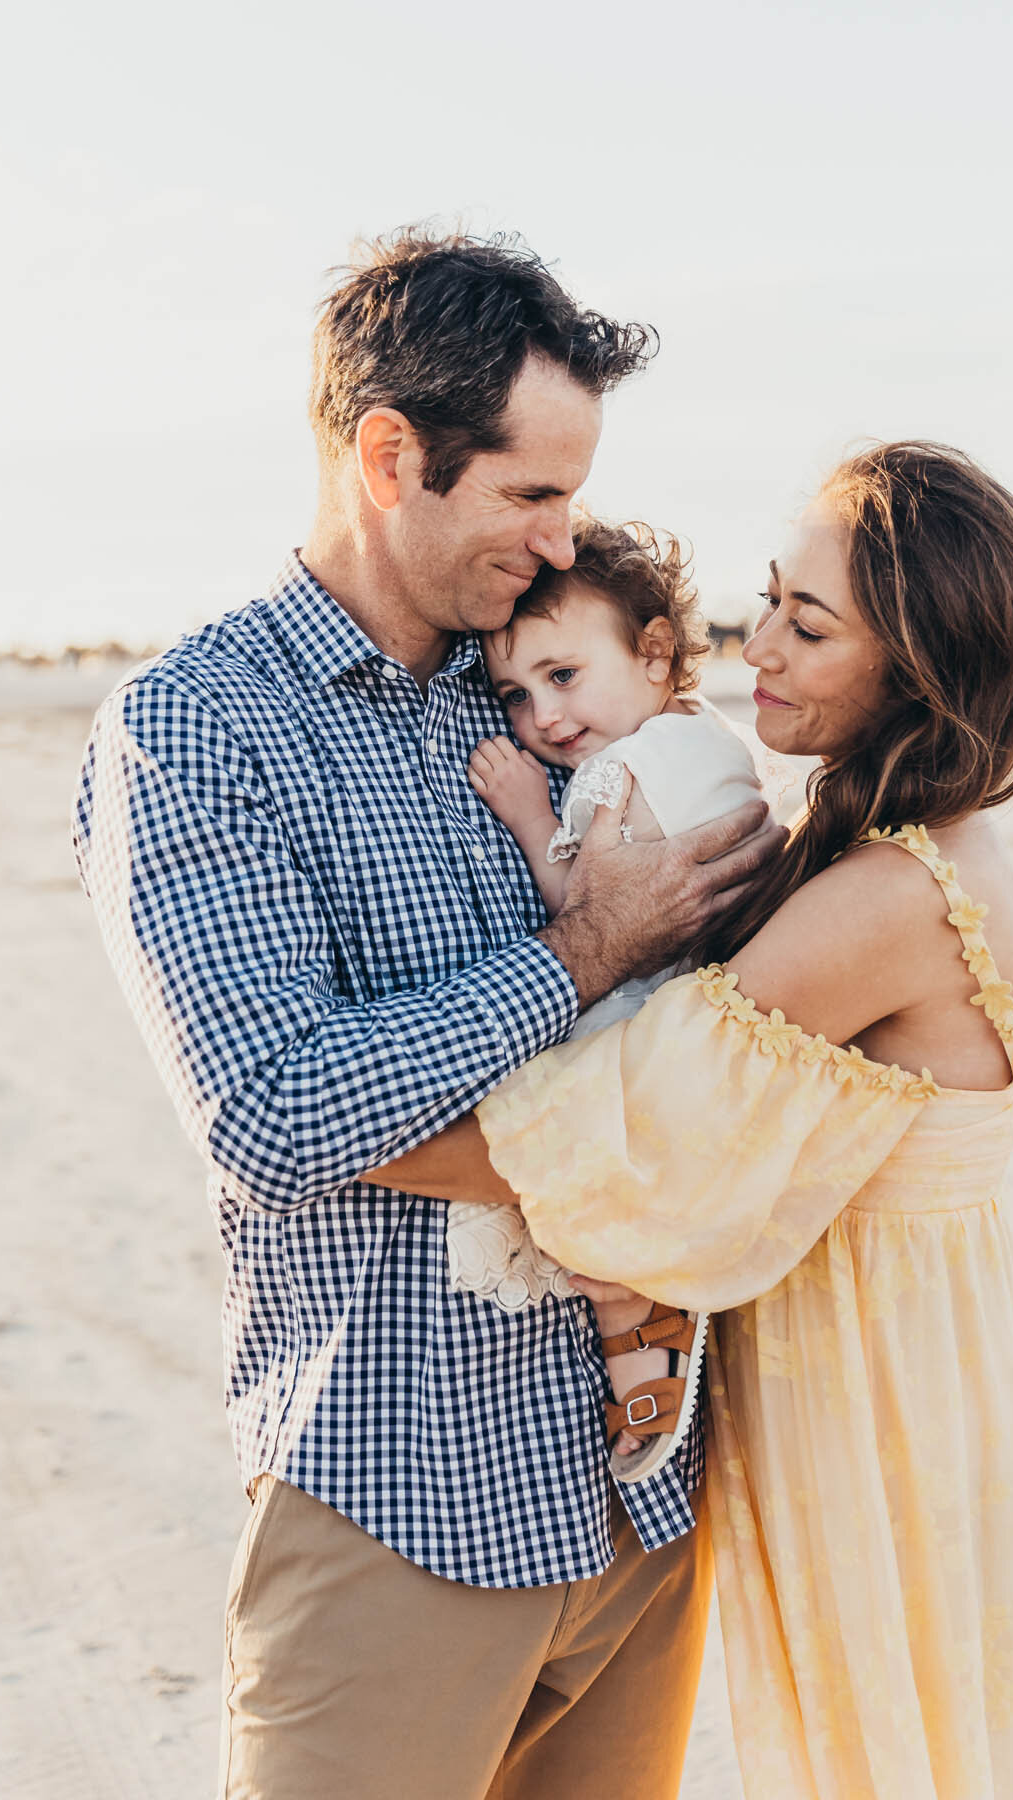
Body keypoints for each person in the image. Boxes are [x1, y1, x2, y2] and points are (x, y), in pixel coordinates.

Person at [71, 227, 777, 1800]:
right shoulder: (196, 729)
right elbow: (279, 1110)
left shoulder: (541, 679)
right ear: (391, 456)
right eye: (531, 492)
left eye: (574, 493)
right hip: (399, 1503)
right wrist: (581, 954)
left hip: (641, 1494)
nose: (562, 535)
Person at [365, 442, 1013, 1798]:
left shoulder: (885, 897)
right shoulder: (882, 842)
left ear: (915, 669)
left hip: (891, 1387)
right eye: (770, 604)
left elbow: (632, 1128)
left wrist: (345, 1138)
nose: (765, 650)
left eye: (812, 625)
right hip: (914, 1351)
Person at [452, 511, 764, 1478]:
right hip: (708, 1018)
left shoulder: (615, 775)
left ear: (656, 650)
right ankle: (647, 1326)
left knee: (558, 1175)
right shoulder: (712, 743)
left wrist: (529, 811)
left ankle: (640, 1324)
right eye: (514, 693)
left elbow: (595, 918)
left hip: (636, 1022)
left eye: (563, 676)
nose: (543, 717)